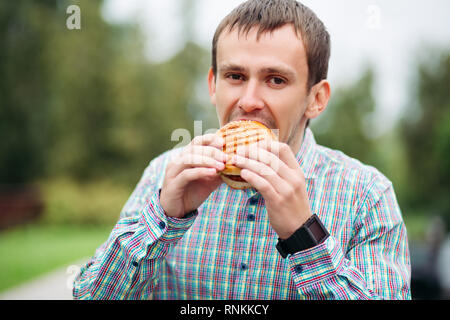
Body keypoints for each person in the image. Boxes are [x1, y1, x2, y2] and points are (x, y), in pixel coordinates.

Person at [73, 0, 411, 300]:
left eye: (276, 80)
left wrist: (305, 237)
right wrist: (162, 219)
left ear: (316, 98)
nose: (248, 101)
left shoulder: (367, 195)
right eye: (235, 76)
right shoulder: (164, 176)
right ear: (212, 85)